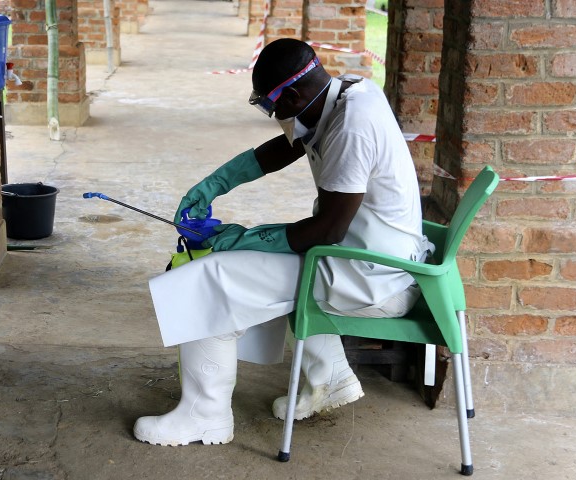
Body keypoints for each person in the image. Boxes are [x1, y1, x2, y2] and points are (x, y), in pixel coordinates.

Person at [134, 38, 431, 446]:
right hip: (379, 258)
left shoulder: (352, 127)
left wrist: (242, 239)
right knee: (257, 259)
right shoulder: (345, 93)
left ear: (292, 95)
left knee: (208, 277)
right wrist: (216, 183)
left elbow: (327, 231)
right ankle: (330, 379)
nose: (272, 116)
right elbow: (287, 147)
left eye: (270, 107)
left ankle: (204, 416)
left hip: (370, 278)